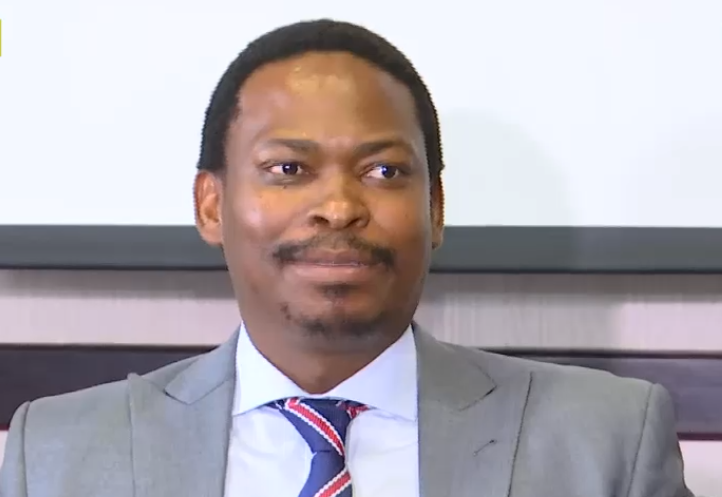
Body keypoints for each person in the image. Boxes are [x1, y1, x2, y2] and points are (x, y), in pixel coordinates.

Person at [0, 19, 693, 497]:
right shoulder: (60, 452)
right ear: (211, 205)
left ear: (436, 208)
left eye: (384, 171)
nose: (338, 206)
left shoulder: (606, 440)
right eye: (288, 169)